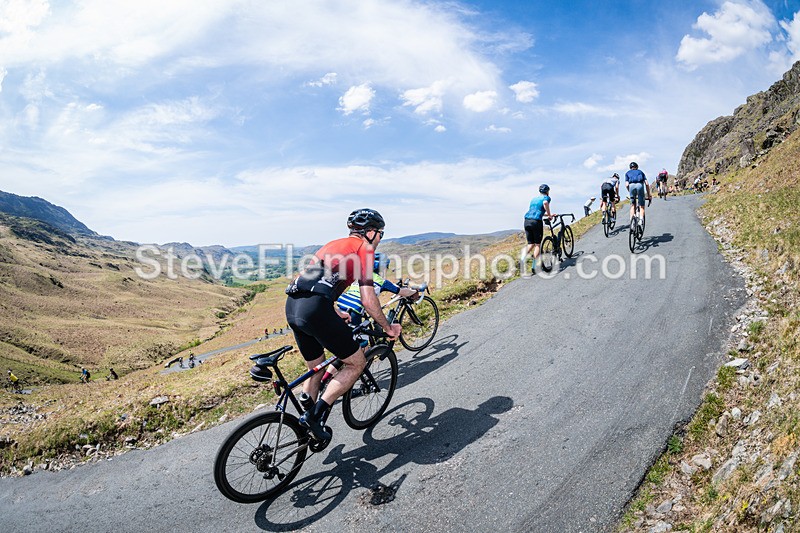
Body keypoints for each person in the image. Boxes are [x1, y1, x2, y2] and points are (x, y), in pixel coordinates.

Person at [282, 208, 402, 441]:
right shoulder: (364, 250)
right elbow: (368, 299)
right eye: (381, 234)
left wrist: (335, 310)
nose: (380, 239)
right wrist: (388, 328)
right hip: (316, 310)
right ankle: (315, 417)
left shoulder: (332, 244)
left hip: (293, 307)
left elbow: (315, 281)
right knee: (356, 363)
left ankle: (306, 428)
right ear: (370, 233)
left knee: (315, 368)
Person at [336, 253, 419, 327]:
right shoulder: (381, 281)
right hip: (355, 309)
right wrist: (414, 291)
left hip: (340, 305)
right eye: (386, 267)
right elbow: (402, 291)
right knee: (361, 342)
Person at [521, 184, 555, 275]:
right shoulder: (547, 198)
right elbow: (545, 203)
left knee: (530, 244)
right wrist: (549, 214)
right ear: (547, 191)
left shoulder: (533, 199)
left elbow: (536, 211)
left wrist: (548, 215)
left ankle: (521, 261)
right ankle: (534, 267)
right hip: (536, 222)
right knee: (537, 245)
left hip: (527, 220)